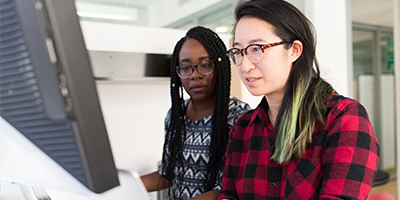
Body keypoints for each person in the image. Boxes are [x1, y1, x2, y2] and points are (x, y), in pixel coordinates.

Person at [219, 0, 380, 199]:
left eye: (256, 49)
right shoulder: (242, 128)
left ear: (294, 50)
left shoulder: (343, 118)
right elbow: (229, 195)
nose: (244, 66)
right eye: (238, 52)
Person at [141, 26, 251, 200]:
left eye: (205, 65)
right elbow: (168, 175)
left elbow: (228, 189)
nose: (195, 75)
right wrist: (124, 184)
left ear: (219, 66)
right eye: (185, 68)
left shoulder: (239, 118)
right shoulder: (175, 115)